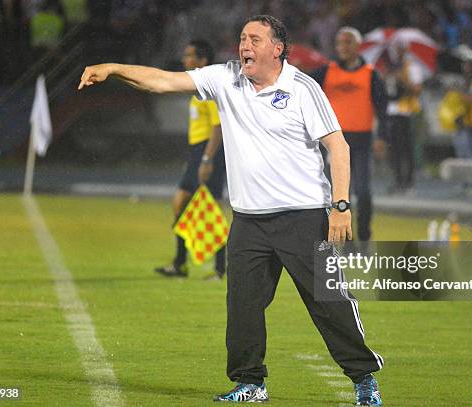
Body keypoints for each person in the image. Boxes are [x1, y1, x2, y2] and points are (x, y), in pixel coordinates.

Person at [78, 15, 383, 406]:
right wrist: (114, 69)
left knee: (330, 303)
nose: (244, 46)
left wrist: (341, 207)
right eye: (242, 38)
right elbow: (163, 80)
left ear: (278, 48)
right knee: (242, 305)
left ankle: (363, 379)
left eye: (254, 39)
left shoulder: (304, 88)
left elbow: (338, 148)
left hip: (305, 218)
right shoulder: (226, 77)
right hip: (249, 221)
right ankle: (250, 382)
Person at [153, 39, 227, 280]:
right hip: (198, 153)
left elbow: (218, 128)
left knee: (211, 210)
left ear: (203, 61)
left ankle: (218, 268)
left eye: (189, 55)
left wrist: (207, 159)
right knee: (180, 204)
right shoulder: (197, 90)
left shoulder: (209, 91)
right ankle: (180, 263)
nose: (185, 60)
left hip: (209, 153)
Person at [312, 26, 387, 245]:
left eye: (347, 42)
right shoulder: (325, 72)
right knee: (336, 194)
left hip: (362, 141)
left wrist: (382, 137)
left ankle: (363, 235)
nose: (342, 47)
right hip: (334, 143)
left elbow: (382, 108)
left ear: (358, 46)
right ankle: (344, 239)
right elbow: (302, 89)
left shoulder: (371, 74)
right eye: (339, 43)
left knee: (363, 192)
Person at [383, 41, 423, 194]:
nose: (396, 52)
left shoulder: (412, 67)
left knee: (408, 148)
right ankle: (398, 180)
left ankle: (409, 181)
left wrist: (404, 80)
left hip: (407, 111)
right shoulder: (392, 68)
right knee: (395, 148)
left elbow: (417, 90)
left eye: (400, 49)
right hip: (393, 110)